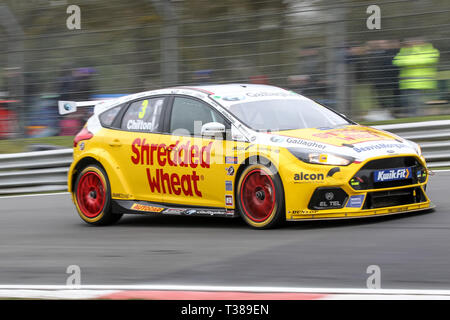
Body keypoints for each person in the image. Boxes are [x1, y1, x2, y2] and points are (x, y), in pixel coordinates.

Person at [392, 38, 440, 116]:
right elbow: (396, 61)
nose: (412, 42)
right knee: (408, 105)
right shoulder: (404, 51)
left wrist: (408, 61)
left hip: (422, 85)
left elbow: (428, 60)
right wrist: (412, 60)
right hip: (406, 85)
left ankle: (420, 120)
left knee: (416, 106)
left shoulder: (431, 50)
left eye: (415, 41)